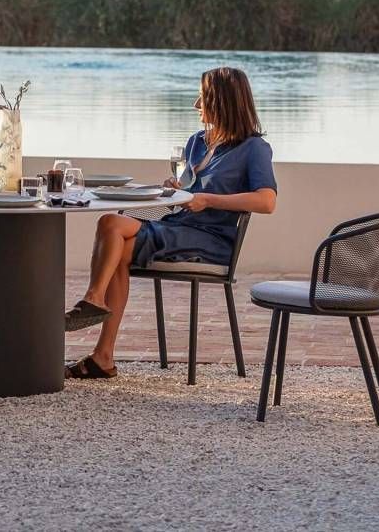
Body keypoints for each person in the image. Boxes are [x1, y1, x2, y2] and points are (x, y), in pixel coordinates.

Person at [63, 66, 277, 379]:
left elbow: (266, 201)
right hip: (178, 226)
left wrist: (208, 200)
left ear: (223, 101)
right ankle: (102, 356)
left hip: (211, 239)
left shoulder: (253, 148)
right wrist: (177, 190)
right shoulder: (196, 142)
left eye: (203, 97)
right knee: (114, 244)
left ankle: (94, 301)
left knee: (111, 224)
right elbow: (189, 191)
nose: (196, 105)